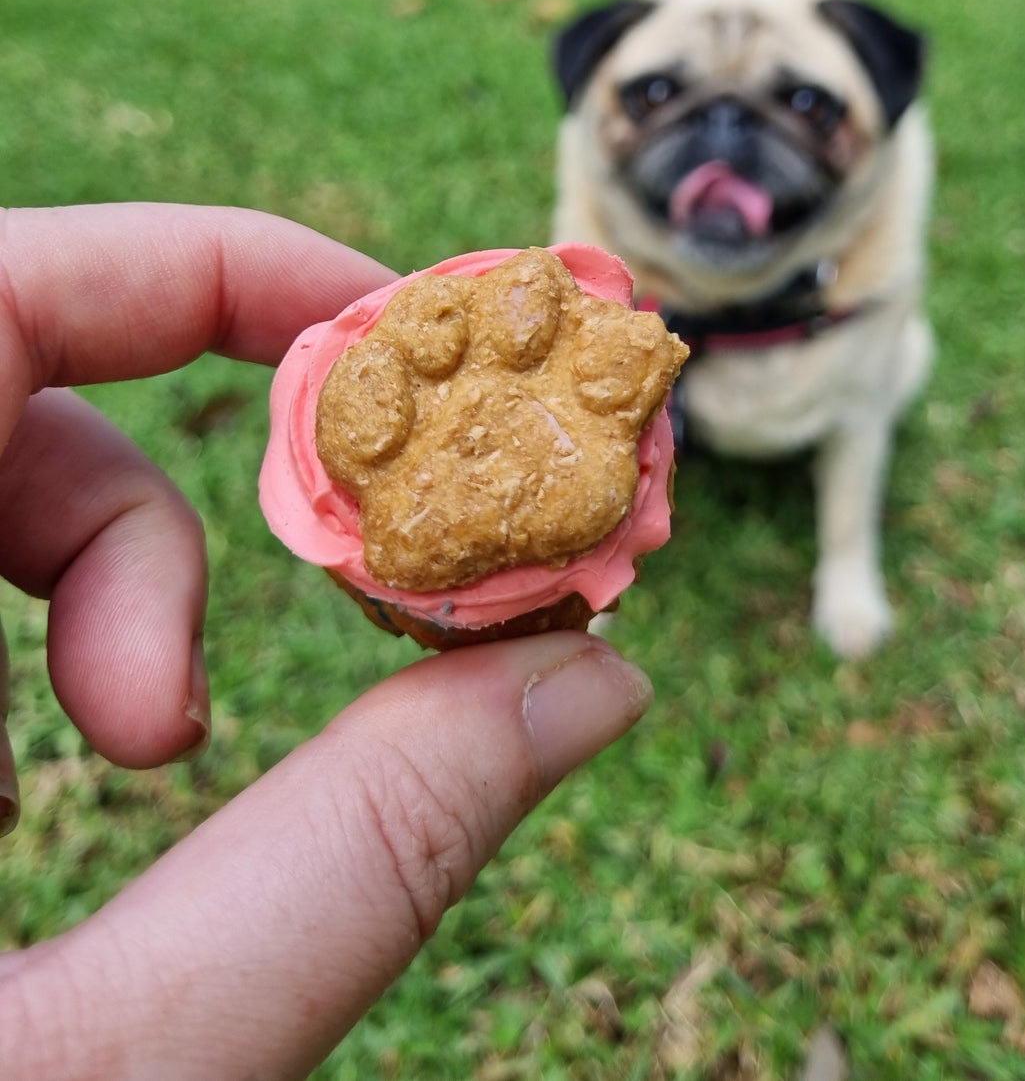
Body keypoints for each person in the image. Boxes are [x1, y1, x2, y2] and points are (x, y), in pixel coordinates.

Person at [0, 203, 653, 1080]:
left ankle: (515, 447)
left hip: (524, 481)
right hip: (412, 515)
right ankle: (458, 460)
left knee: (527, 501)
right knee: (447, 521)